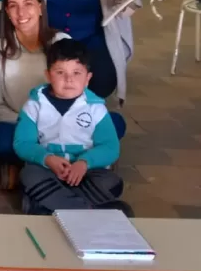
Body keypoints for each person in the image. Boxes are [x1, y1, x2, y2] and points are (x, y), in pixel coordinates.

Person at [14, 39, 130, 216]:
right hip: (49, 170)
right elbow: (23, 143)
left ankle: (46, 206)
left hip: (86, 173)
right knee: (29, 175)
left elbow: (110, 147)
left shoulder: (96, 108)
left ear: (87, 78)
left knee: (112, 182)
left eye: (77, 73)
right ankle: (87, 211)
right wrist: (47, 159)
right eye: (60, 72)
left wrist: (84, 163)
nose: (69, 79)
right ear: (48, 75)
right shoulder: (34, 105)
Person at [0, 0, 69, 189]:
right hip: (17, 123)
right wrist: (31, 124)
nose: (21, 13)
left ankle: (24, 167)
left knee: (114, 123)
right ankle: (57, 164)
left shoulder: (62, 42)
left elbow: (77, 96)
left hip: (60, 122)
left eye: (28, 3)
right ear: (7, 12)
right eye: (13, 6)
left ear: (40, 7)